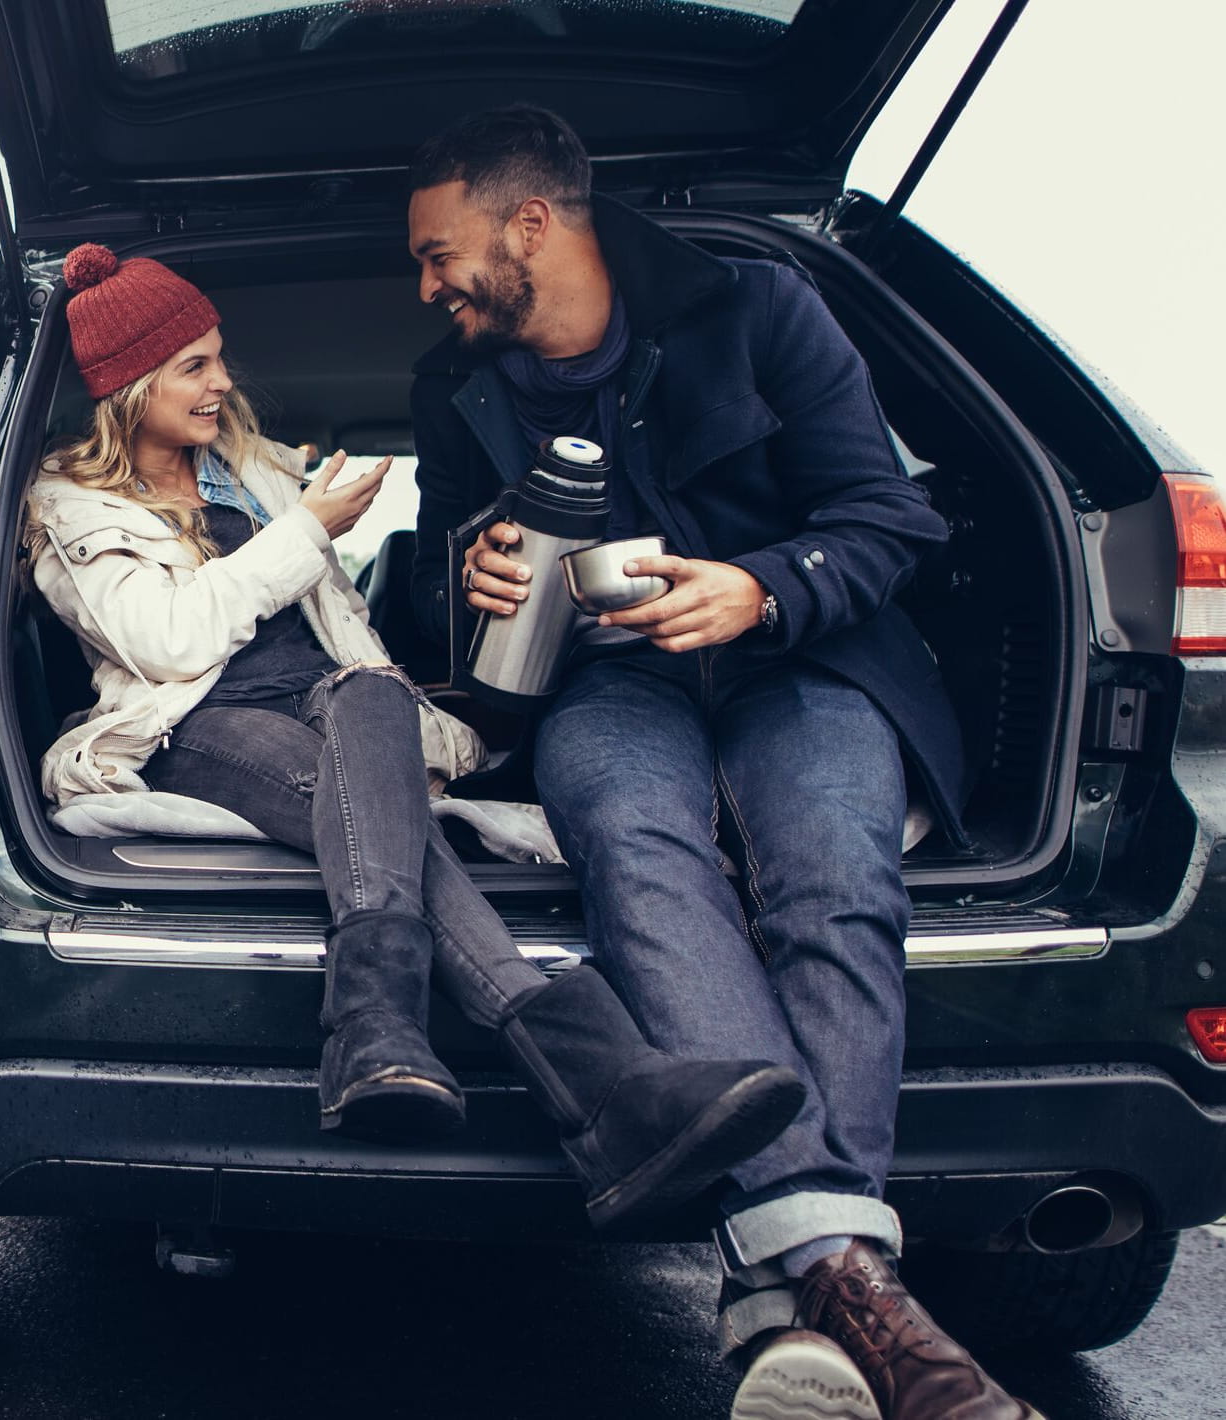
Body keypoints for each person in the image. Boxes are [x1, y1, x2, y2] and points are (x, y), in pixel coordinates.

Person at [404, 105, 1039, 1420]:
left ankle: (788, 1291)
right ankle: (855, 1293)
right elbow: (431, 610)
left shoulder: (759, 309)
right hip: (605, 685)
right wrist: (468, 580)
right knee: (636, 851)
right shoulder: (451, 388)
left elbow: (886, 518)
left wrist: (759, 589)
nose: (423, 286)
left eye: (435, 251)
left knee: (831, 875)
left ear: (531, 224)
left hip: (807, 659)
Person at [21, 240, 805, 1235]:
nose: (223, 381)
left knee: (371, 699)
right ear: (130, 386)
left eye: (220, 357)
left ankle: (379, 1025)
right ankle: (600, 1089)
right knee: (395, 816)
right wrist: (306, 527)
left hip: (341, 713)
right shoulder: (65, 503)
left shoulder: (253, 471)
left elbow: (350, 640)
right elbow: (165, 645)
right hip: (192, 730)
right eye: (195, 366)